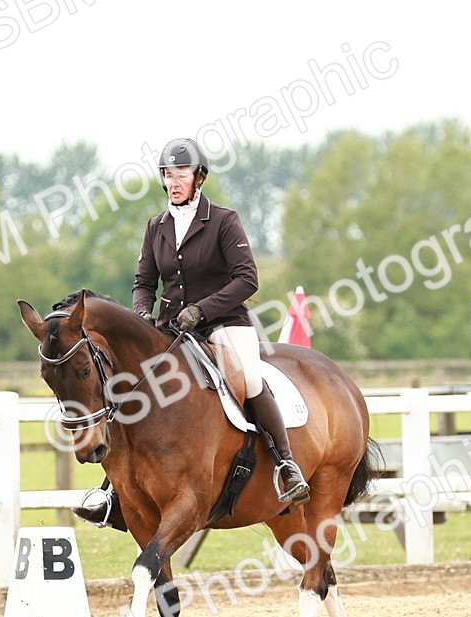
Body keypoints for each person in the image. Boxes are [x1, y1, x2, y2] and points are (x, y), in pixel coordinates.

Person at [74, 137, 310, 529]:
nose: (174, 181)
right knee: (130, 388)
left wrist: (202, 309)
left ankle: (286, 466)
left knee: (250, 378)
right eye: (168, 175)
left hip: (225, 325)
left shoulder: (222, 220)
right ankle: (113, 490)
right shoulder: (157, 227)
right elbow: (143, 281)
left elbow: (247, 279)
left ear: (198, 178)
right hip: (172, 330)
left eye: (181, 174)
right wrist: (141, 314)